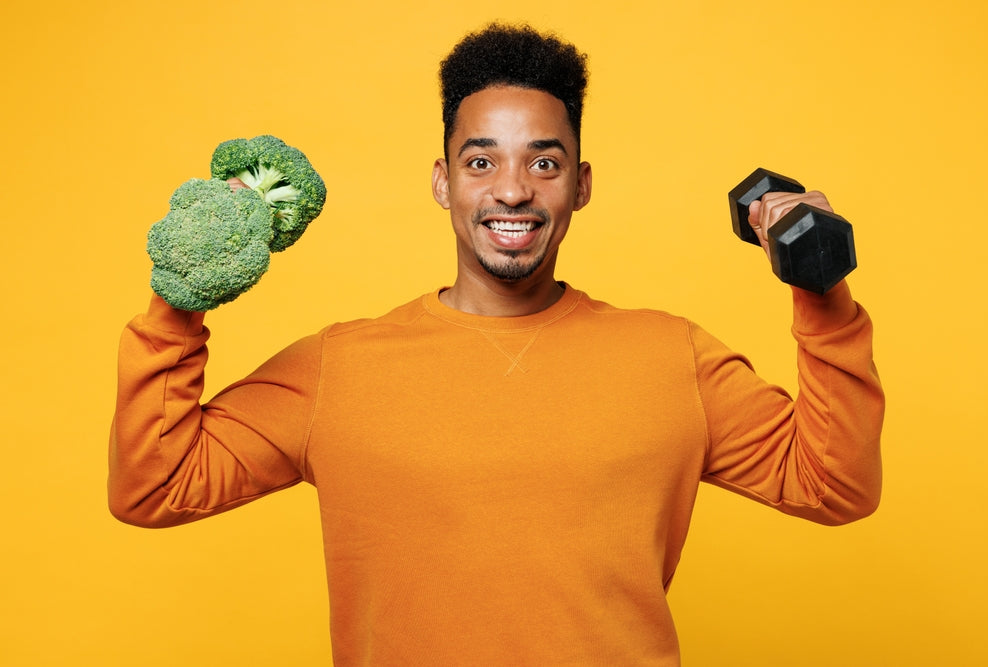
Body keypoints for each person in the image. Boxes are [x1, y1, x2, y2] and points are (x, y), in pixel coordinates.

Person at [109, 23, 883, 665]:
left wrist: (821, 290)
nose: (512, 190)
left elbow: (835, 483)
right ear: (444, 181)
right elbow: (153, 487)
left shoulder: (669, 356)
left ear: (580, 184)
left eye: (542, 163)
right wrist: (177, 305)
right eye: (482, 162)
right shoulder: (338, 368)